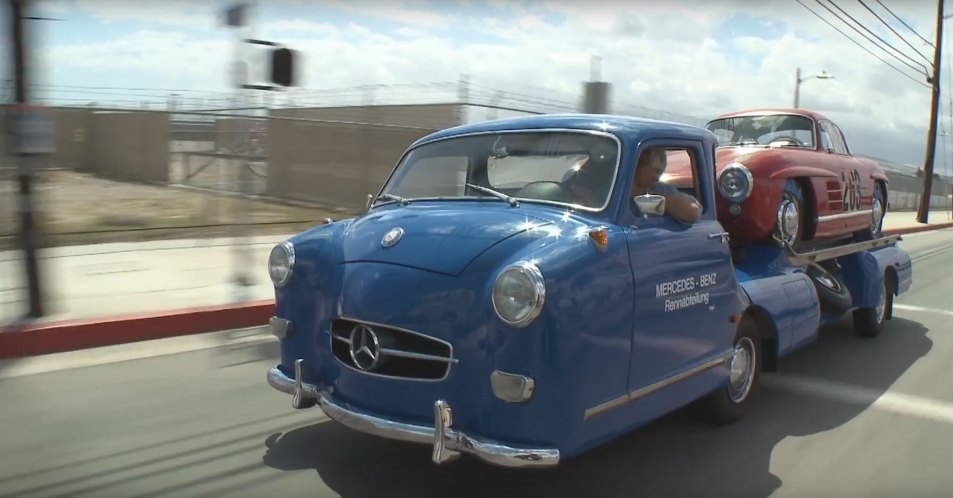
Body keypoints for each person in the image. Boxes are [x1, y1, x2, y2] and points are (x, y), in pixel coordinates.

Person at [630, 147, 702, 223]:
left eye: (658, 170)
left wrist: (648, 202)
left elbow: (693, 212)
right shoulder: (621, 186)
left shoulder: (659, 189)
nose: (656, 176)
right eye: (641, 161)